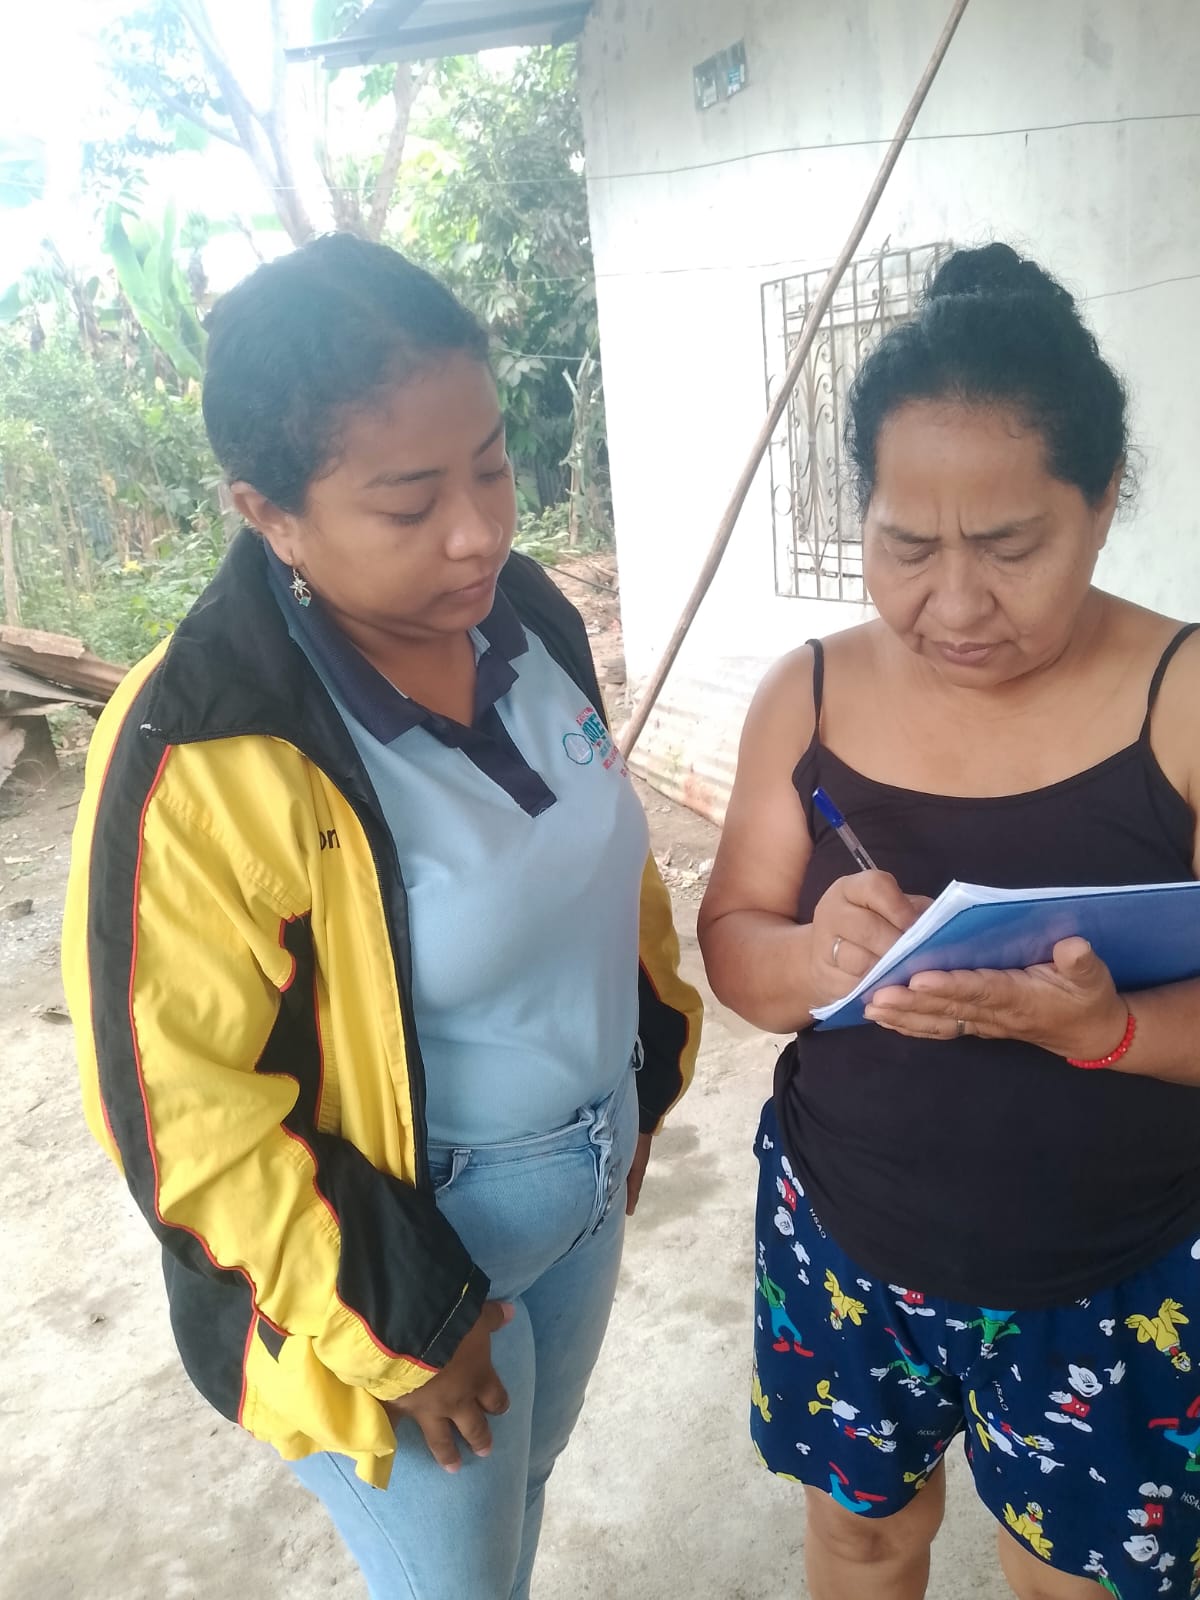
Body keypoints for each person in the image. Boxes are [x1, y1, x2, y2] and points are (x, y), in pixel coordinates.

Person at [63, 233, 701, 1600]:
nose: (478, 531)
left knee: (524, 1494)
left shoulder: (525, 620)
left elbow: (602, 865)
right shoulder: (207, 743)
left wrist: (641, 1084)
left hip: (585, 1185)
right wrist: (404, 1324)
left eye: (493, 466)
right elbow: (186, 1117)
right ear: (271, 513)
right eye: (410, 503)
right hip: (400, 1249)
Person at [699, 242, 1200, 1600]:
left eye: (1012, 547)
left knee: (1073, 1581)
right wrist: (814, 955)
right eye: (906, 548)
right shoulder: (806, 695)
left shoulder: (1182, 699)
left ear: (1104, 499)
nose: (957, 603)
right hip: (847, 1237)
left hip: (1114, 1269)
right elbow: (734, 940)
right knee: (862, 1540)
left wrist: (1105, 1032)